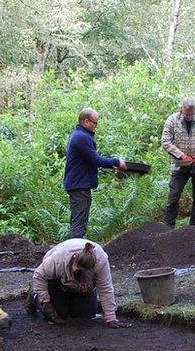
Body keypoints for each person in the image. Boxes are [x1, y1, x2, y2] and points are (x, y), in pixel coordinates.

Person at [27, 238, 131, 328]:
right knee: (58, 315)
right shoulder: (58, 258)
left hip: (84, 289)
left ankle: (75, 302)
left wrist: (111, 318)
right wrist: (45, 302)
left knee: (86, 316)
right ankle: (34, 296)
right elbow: (39, 275)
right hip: (58, 284)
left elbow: (105, 288)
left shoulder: (101, 260)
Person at [64, 107, 127, 238]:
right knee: (79, 222)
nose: (96, 126)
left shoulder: (79, 135)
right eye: (95, 123)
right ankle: (75, 253)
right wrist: (116, 162)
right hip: (79, 185)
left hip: (79, 184)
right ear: (86, 121)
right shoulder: (81, 137)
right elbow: (95, 159)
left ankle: (75, 250)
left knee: (79, 220)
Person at [161, 97, 195, 227]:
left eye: (191, 114)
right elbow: (165, 142)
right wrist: (181, 155)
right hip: (180, 166)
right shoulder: (172, 120)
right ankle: (168, 227)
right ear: (181, 109)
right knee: (173, 196)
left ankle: (194, 228)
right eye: (186, 114)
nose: (189, 116)